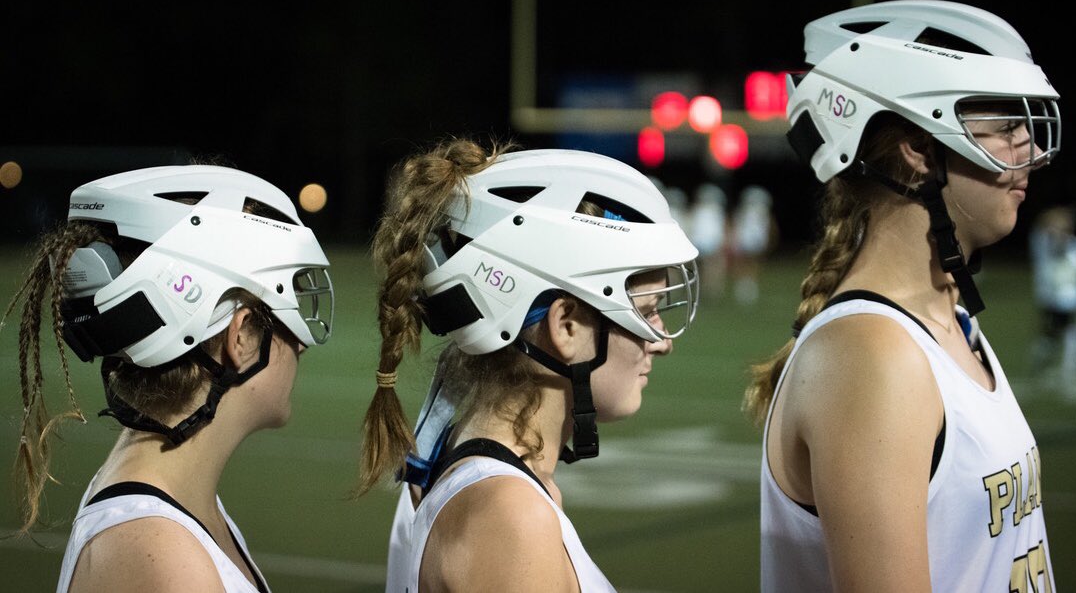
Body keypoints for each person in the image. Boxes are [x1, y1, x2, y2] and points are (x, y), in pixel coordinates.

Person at [742, 0, 1061, 591]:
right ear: (919, 149)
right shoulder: (871, 356)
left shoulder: (949, 323)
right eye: (1000, 122)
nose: (1027, 148)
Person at [353, 139, 699, 592]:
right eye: (645, 310)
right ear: (567, 327)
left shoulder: (462, 464)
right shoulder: (509, 517)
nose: (660, 342)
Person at [7, 164, 334, 592]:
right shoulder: (164, 561)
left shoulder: (165, 505)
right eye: (289, 308)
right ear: (242, 338)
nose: (302, 345)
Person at [1029, 205, 1076, 387]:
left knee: (1068, 333)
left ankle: (1065, 371)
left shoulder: (1075, 245)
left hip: (1070, 297)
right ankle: (1058, 371)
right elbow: (1048, 227)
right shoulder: (1044, 241)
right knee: (1055, 335)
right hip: (1054, 296)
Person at [728, 184, 778, 305]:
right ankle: (746, 287)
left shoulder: (759, 213)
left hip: (752, 240)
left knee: (750, 264)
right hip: (750, 240)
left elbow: (768, 229)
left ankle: (748, 287)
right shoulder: (749, 213)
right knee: (747, 263)